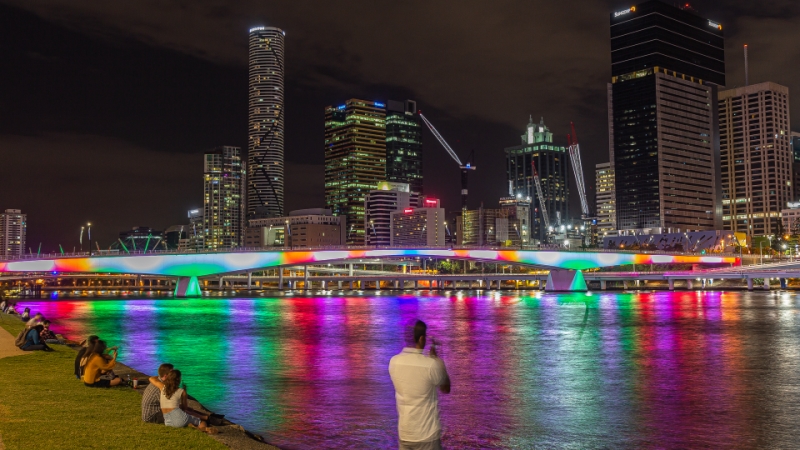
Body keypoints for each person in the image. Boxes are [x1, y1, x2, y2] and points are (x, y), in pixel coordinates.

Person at [389, 320, 451, 450]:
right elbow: (446, 388)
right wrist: (438, 360)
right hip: (427, 435)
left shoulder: (394, 362)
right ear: (422, 339)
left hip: (405, 434)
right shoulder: (430, 365)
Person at [148, 370, 217, 434]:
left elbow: (151, 378)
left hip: (168, 422)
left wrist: (163, 376)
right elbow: (184, 408)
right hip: (180, 418)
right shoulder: (182, 391)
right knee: (201, 421)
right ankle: (203, 428)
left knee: (185, 417)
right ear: (179, 380)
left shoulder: (162, 387)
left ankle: (190, 424)